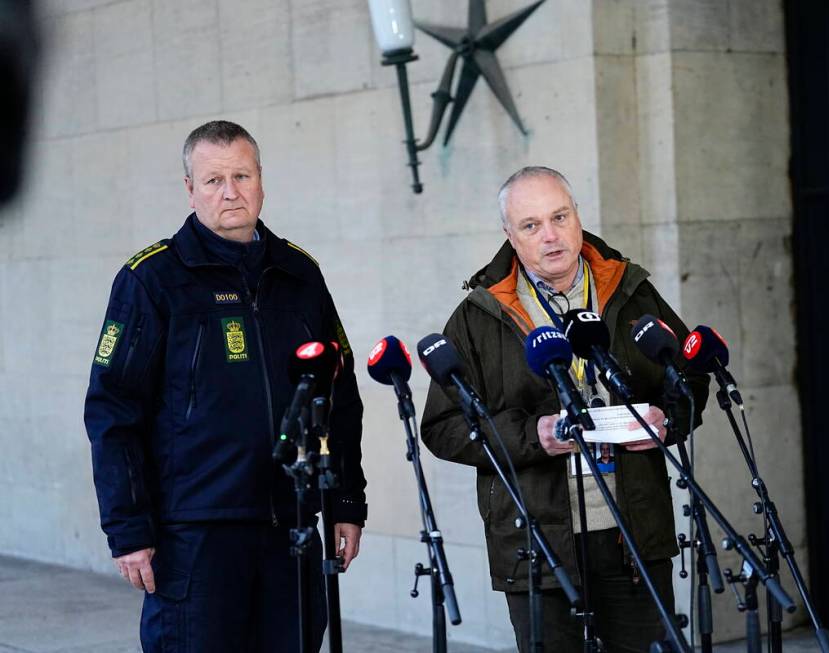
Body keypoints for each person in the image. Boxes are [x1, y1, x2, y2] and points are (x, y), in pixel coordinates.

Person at [84, 120, 366, 653]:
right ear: (189, 189)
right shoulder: (152, 279)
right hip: (194, 535)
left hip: (294, 527)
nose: (230, 192)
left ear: (262, 180)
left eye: (241, 175)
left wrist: (346, 500)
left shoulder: (301, 274)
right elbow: (112, 409)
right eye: (213, 180)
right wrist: (129, 529)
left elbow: (339, 396)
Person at [420, 166, 708, 652]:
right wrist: (536, 436)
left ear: (578, 217)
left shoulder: (630, 290)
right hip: (538, 547)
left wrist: (667, 419)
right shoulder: (480, 314)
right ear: (509, 235)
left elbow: (690, 375)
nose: (551, 236)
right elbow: (444, 426)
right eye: (531, 225)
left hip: (633, 536)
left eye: (560, 216)